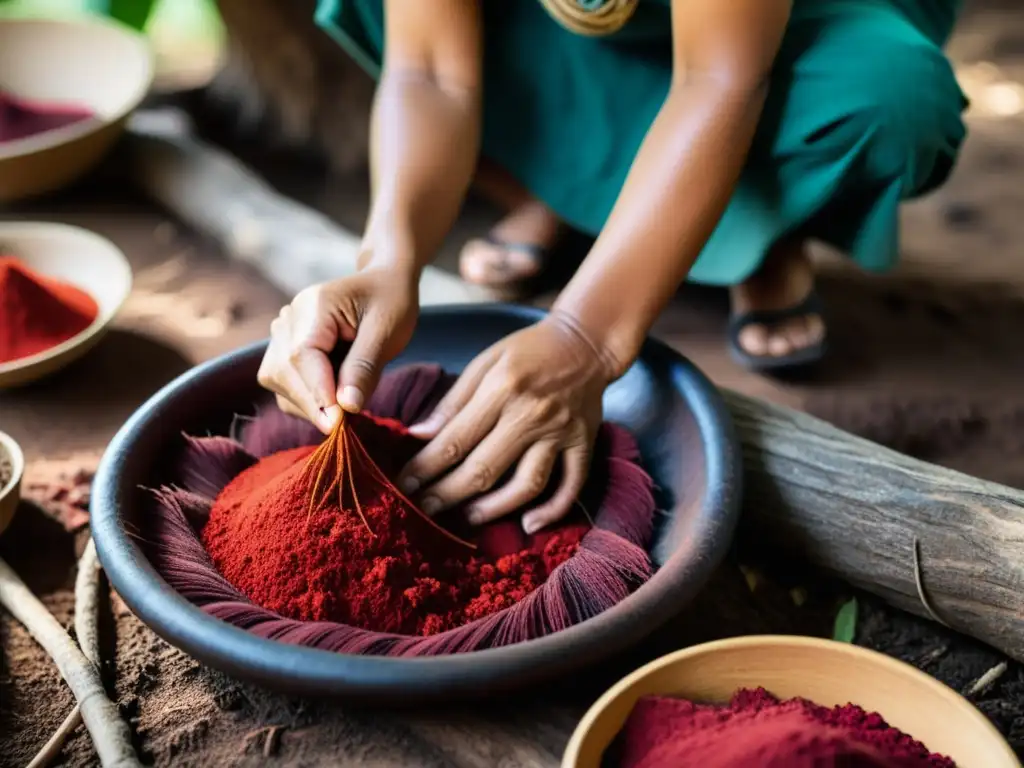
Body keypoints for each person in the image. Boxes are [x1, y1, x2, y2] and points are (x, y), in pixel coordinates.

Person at [257, 0, 966, 532]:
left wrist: (584, 337)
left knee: (890, 100)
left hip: (772, 39)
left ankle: (763, 232)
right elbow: (433, 71)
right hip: (569, 38)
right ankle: (566, 199)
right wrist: (388, 261)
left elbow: (720, 77)